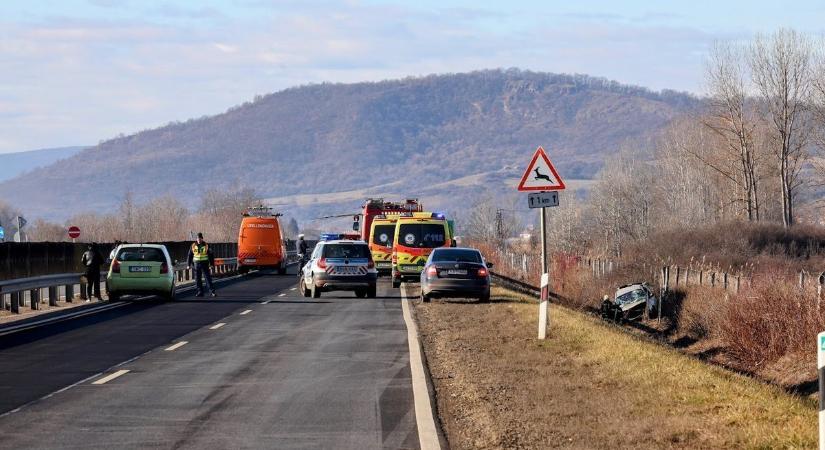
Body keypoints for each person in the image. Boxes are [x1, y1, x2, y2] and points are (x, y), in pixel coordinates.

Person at [188, 232, 216, 297]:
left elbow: (211, 255)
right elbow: (190, 255)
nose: (199, 240)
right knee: (197, 279)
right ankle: (200, 292)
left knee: (207, 278)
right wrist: (188, 264)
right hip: (196, 264)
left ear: (202, 239)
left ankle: (212, 292)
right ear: (196, 239)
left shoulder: (206, 245)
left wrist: (211, 264)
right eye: (197, 238)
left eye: (200, 238)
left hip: (204, 264)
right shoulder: (193, 245)